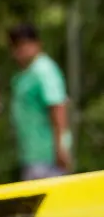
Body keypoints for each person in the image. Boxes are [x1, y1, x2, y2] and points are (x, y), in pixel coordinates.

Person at [8, 23, 73, 180]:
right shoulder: (25, 74)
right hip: (31, 155)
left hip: (48, 156)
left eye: (24, 44)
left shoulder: (44, 70)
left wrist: (61, 147)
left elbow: (57, 107)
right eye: (16, 46)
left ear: (37, 43)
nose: (21, 50)